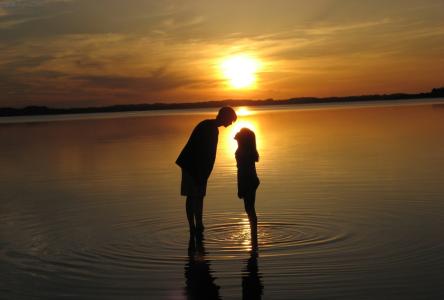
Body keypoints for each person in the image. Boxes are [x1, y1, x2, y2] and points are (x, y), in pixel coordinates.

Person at [176, 106, 237, 235]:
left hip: (199, 168)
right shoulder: (209, 128)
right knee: (192, 195)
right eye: (230, 120)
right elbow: (204, 153)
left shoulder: (211, 127)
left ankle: (198, 224)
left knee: (198, 196)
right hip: (191, 165)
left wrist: (204, 173)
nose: (231, 124)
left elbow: (209, 155)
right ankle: (193, 226)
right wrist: (202, 174)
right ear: (224, 117)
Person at [234, 128, 260, 241]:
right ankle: (254, 234)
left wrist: (240, 188)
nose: (237, 133)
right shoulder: (247, 150)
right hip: (252, 180)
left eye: (240, 133)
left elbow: (242, 171)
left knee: (249, 209)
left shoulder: (242, 152)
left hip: (248, 180)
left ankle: (254, 236)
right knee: (250, 209)